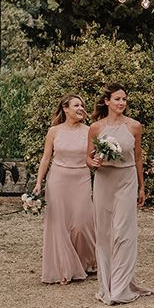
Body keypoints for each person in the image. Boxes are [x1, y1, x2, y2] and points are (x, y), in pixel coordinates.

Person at [87, 83, 154, 304]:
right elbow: (88, 158)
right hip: (104, 181)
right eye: (117, 99)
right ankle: (106, 284)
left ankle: (120, 287)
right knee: (105, 233)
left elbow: (137, 159)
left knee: (124, 232)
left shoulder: (134, 126)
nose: (121, 103)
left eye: (124, 99)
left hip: (127, 180)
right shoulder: (96, 128)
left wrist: (142, 187)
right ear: (107, 101)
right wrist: (94, 161)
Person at [33, 94, 96, 284]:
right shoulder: (54, 131)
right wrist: (38, 183)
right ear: (65, 109)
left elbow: (96, 152)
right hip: (58, 179)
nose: (80, 108)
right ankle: (64, 268)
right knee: (59, 225)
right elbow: (46, 158)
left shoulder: (90, 131)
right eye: (76, 105)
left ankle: (87, 261)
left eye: (83, 105)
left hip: (81, 178)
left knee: (81, 223)